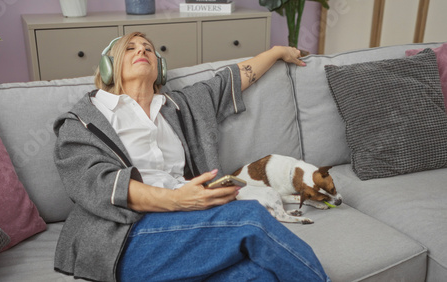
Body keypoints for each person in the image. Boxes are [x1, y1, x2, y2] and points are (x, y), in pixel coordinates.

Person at [53, 31, 330, 282]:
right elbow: (95, 184)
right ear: (108, 66)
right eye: (130, 48)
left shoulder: (181, 106)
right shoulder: (85, 119)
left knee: (258, 276)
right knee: (251, 218)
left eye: (148, 48)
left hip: (187, 224)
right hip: (124, 235)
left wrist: (278, 52)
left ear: (159, 67)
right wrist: (178, 200)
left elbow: (231, 79)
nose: (142, 51)